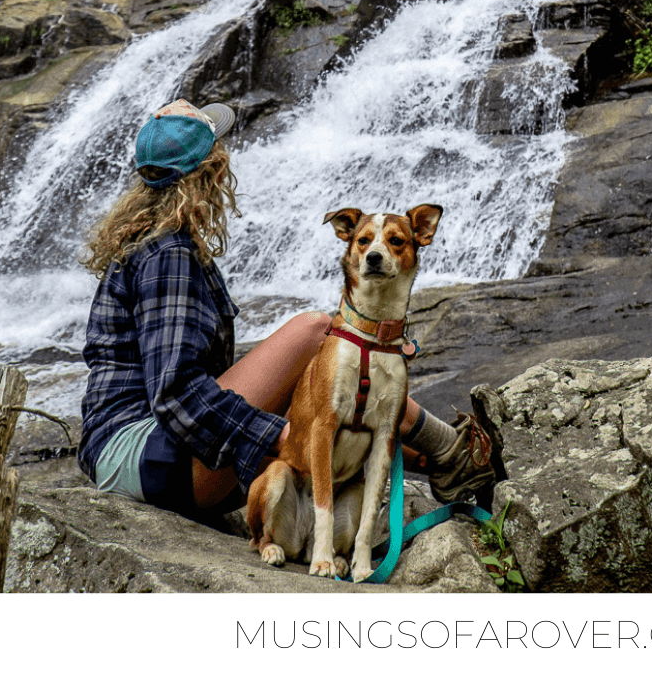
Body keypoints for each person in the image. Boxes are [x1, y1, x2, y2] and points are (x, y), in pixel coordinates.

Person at [77, 98, 494, 521]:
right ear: (213, 172)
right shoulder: (168, 253)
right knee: (318, 334)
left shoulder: (159, 241)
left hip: (148, 458)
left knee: (321, 386)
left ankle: (437, 458)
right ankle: (448, 449)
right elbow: (175, 394)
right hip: (144, 458)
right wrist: (280, 436)